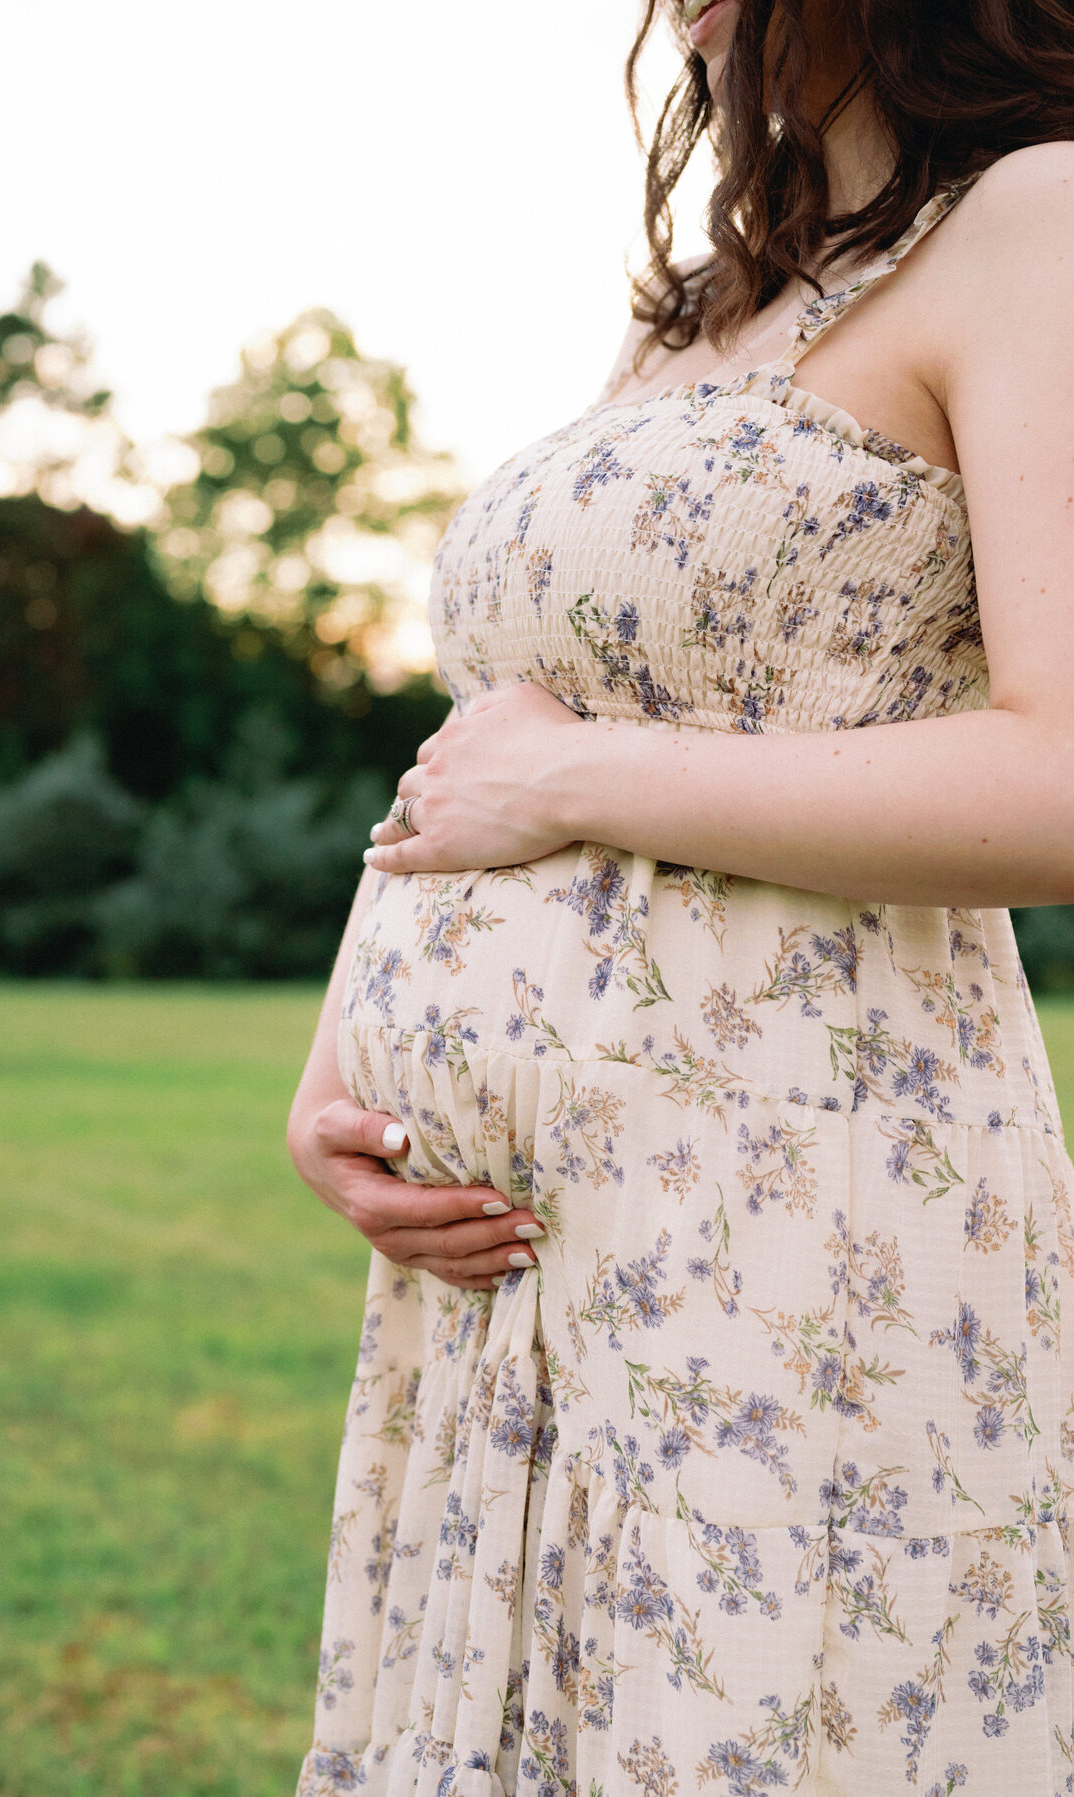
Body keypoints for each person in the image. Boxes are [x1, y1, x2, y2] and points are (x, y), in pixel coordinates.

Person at [290, 2, 1074, 1790]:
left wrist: (585, 782)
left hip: (801, 1221)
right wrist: (339, 1064)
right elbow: (487, 731)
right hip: (507, 1264)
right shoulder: (693, 315)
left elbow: (1063, 770)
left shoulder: (1037, 220)